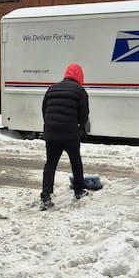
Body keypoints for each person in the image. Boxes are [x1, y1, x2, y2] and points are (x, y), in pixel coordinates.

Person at [40, 63, 89, 210]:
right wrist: (80, 128)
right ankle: (79, 191)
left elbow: (44, 109)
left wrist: (50, 126)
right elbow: (84, 115)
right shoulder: (80, 91)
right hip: (69, 133)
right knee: (75, 161)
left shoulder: (52, 88)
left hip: (51, 133)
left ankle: (46, 195)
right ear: (80, 77)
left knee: (50, 164)